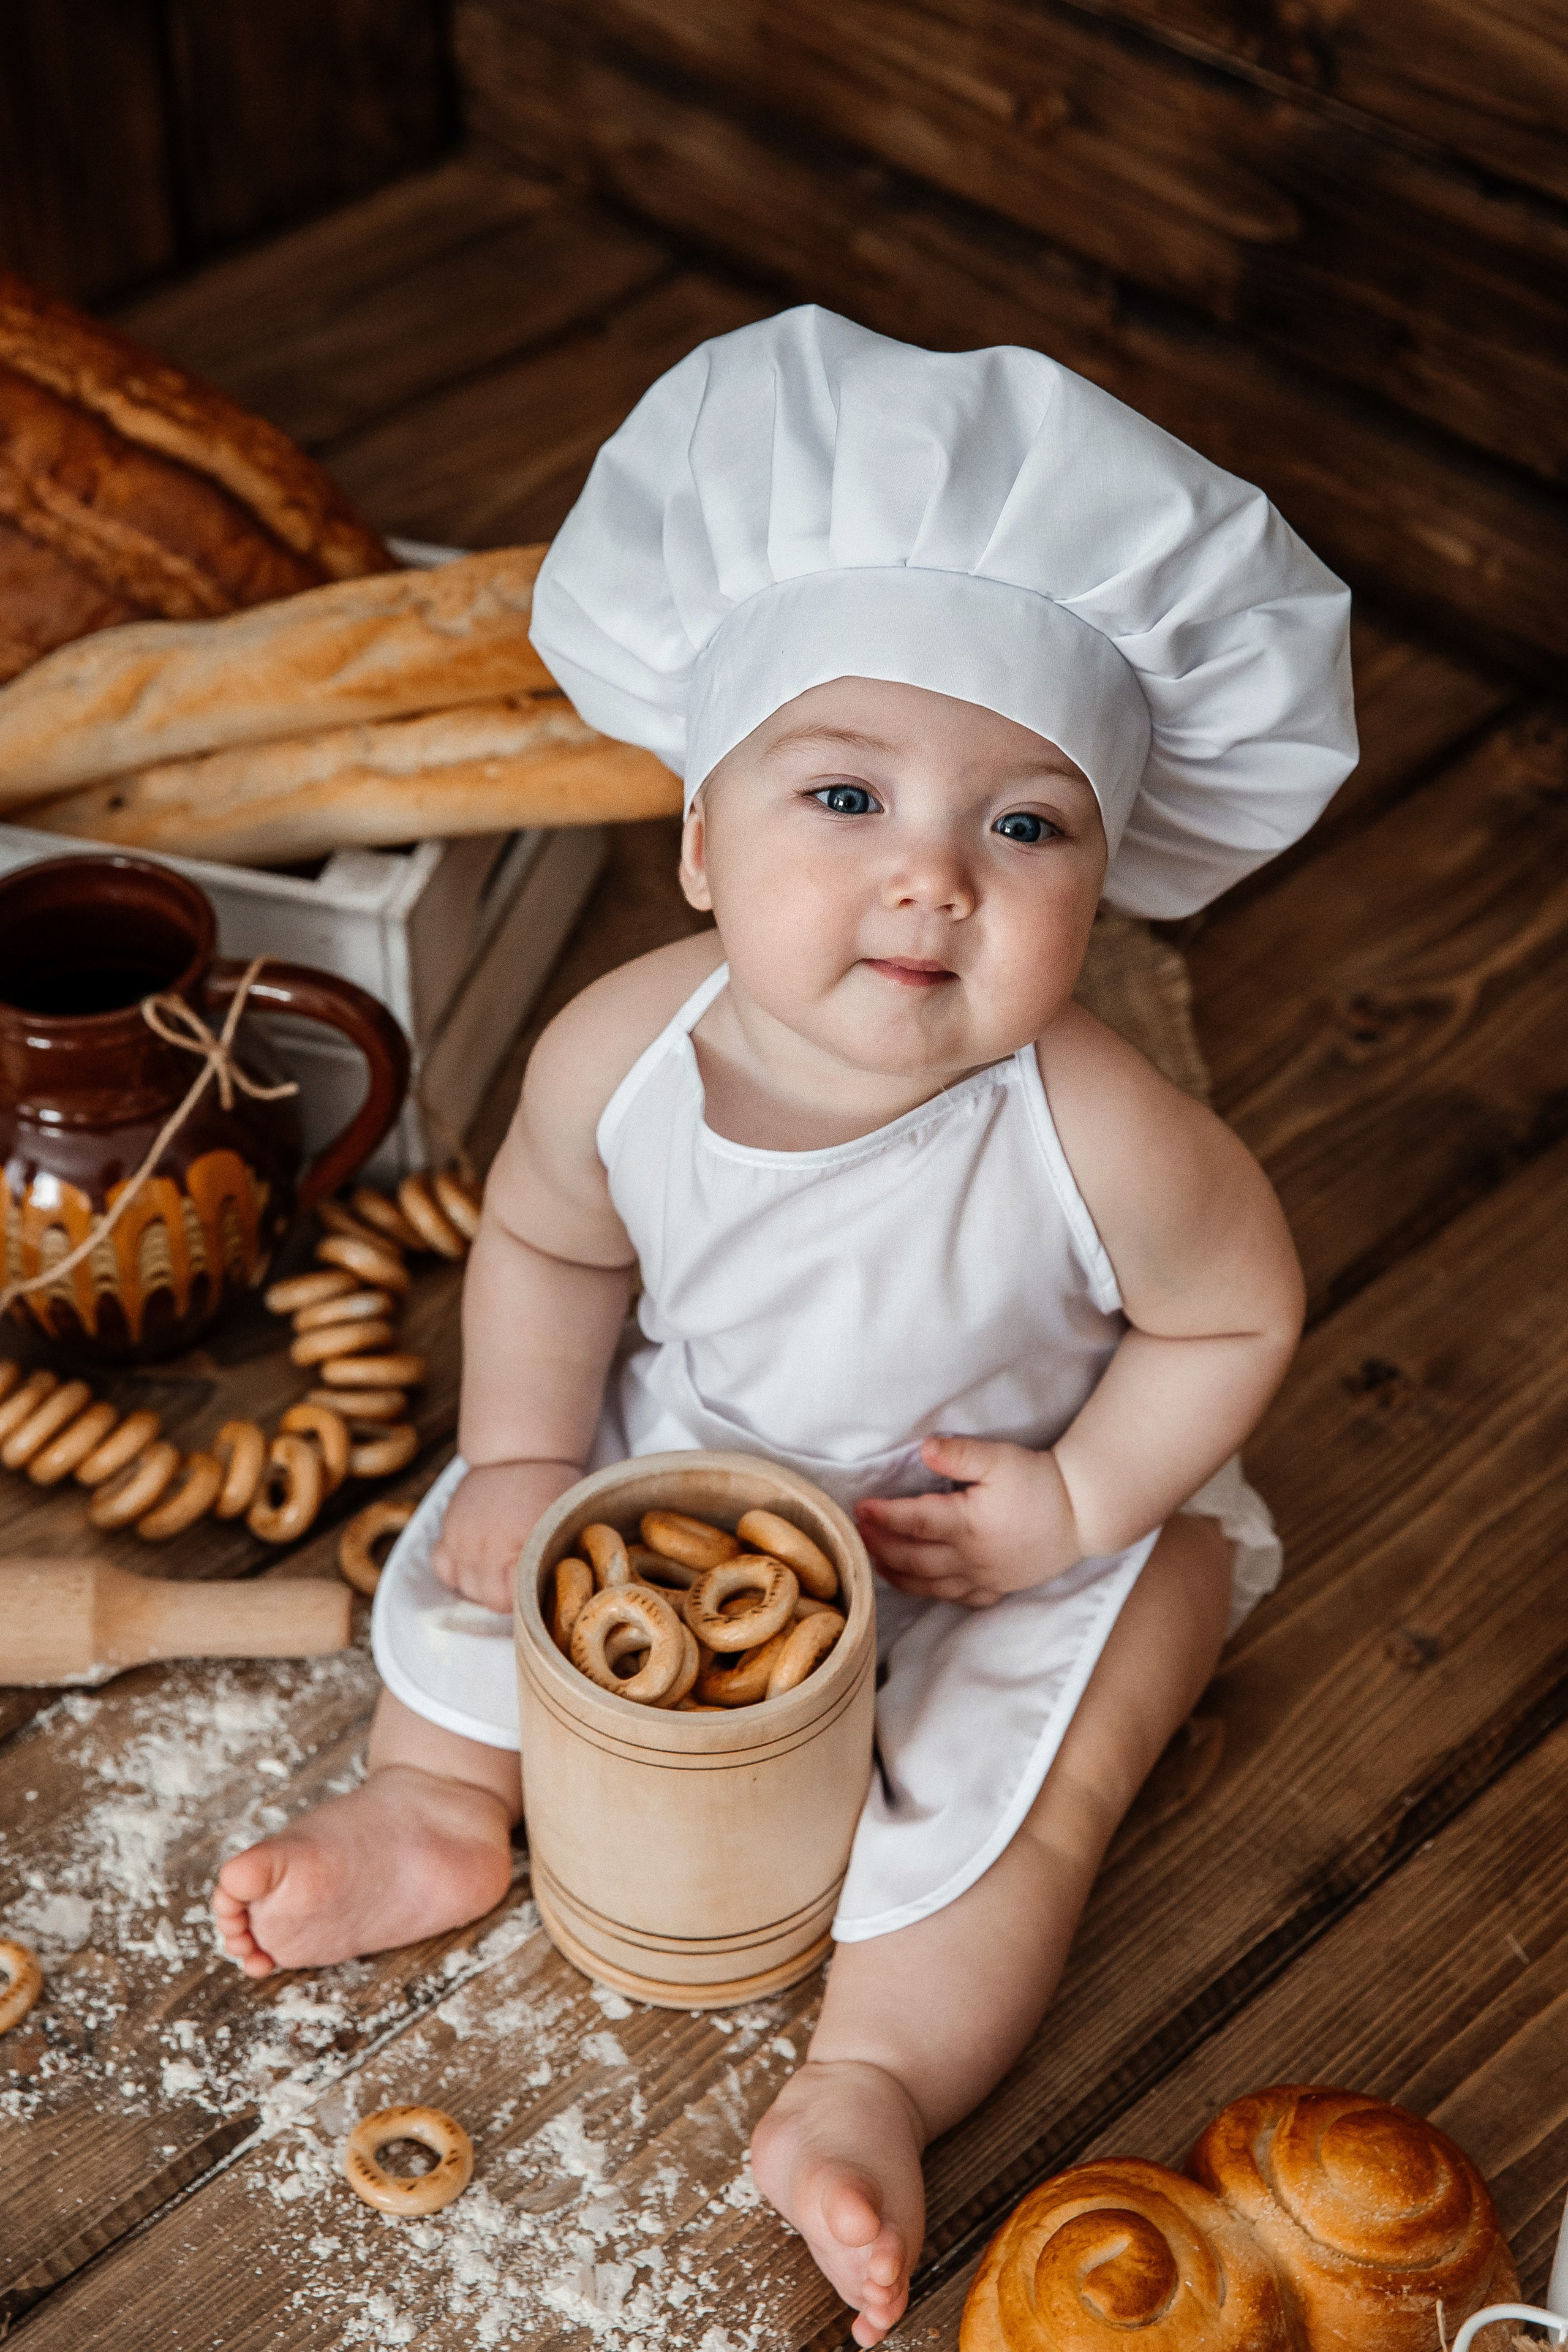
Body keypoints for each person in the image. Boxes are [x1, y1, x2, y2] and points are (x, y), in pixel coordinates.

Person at [213, 307, 1355, 2346]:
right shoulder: (618, 1051)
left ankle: (874, 2078)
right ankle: (435, 1809)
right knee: (483, 1588)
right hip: (689, 1464)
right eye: (844, 796)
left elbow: (1238, 1317)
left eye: (1026, 826)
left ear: (1104, 889)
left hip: (979, 1524)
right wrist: (537, 1459)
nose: (933, 876)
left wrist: (1077, 1499)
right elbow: (554, 1257)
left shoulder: (1098, 1128)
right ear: (693, 842)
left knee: (1043, 1780)